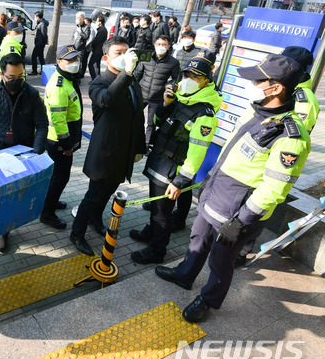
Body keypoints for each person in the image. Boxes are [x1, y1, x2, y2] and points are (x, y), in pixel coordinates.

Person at [155, 54, 311, 322]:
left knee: (221, 260)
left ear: (276, 88)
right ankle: (185, 274)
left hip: (238, 212)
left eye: (258, 79)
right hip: (217, 193)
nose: (252, 83)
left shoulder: (291, 137)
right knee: (198, 237)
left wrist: (241, 222)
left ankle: (208, 299)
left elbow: (273, 189)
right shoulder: (256, 111)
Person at [130, 51, 221, 264]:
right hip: (161, 161)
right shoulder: (182, 98)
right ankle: (151, 233)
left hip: (174, 170)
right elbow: (159, 120)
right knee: (156, 207)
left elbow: (197, 152)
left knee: (162, 213)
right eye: (186, 75)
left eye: (195, 77)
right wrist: (166, 103)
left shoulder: (205, 114)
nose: (188, 80)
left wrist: (181, 181)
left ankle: (157, 250)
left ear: (206, 81)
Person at [234, 46, 319, 266]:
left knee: (258, 212)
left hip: (269, 165)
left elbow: (291, 138)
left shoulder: (302, 98)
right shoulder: (271, 89)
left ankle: (241, 253)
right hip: (250, 163)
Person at [69, 38, 143, 256]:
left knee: (107, 193)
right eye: (117, 53)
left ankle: (95, 219)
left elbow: (137, 116)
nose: (123, 56)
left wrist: (138, 148)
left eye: (126, 52)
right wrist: (127, 73)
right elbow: (107, 100)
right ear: (106, 58)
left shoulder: (132, 81)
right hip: (105, 152)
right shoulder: (99, 82)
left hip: (123, 152)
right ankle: (77, 233)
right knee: (93, 195)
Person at [0, 53, 48, 252]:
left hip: (25, 153)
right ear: (1, 74)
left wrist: (37, 150)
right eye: (12, 78)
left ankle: (13, 222)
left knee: (20, 192)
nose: (17, 82)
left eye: (20, 77)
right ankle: (2, 231)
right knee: (2, 196)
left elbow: (42, 124)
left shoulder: (32, 94)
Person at [40, 45, 83, 231]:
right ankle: (47, 214)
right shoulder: (58, 85)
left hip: (63, 139)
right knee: (60, 178)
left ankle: (51, 202)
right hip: (59, 141)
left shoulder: (67, 79)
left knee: (57, 178)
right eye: (70, 60)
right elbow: (58, 120)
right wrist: (66, 145)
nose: (75, 63)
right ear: (59, 62)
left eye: (76, 59)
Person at [134, 35, 181, 146]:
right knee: (134, 116)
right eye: (159, 44)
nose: (161, 46)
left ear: (169, 46)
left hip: (157, 97)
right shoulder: (147, 57)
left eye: (164, 44)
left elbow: (176, 78)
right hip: (142, 93)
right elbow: (137, 75)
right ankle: (132, 138)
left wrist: (168, 86)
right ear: (155, 45)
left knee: (151, 123)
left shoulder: (173, 62)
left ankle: (146, 143)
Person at [72, 11, 91, 78]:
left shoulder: (86, 27)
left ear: (82, 19)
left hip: (81, 48)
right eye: (76, 18)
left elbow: (86, 37)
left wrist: (80, 31)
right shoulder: (76, 26)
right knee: (73, 62)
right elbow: (73, 36)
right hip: (74, 47)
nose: (77, 19)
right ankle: (74, 75)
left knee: (78, 63)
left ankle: (78, 78)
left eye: (78, 18)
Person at [31, 11, 49, 76]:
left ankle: (34, 71)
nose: (35, 18)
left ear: (38, 17)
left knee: (34, 56)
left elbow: (44, 34)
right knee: (41, 57)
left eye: (35, 17)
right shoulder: (40, 23)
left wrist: (45, 41)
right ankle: (43, 70)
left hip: (40, 43)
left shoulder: (42, 24)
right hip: (40, 43)